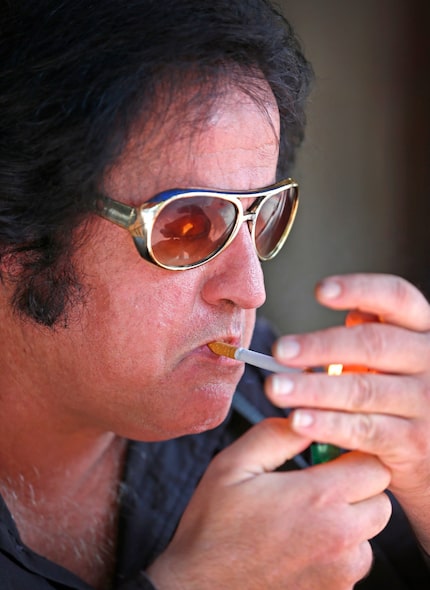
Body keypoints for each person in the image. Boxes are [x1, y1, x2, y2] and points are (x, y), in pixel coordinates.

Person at [0, 1, 429, 589]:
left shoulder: (291, 408)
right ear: (17, 229)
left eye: (262, 216)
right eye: (188, 225)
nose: (250, 290)